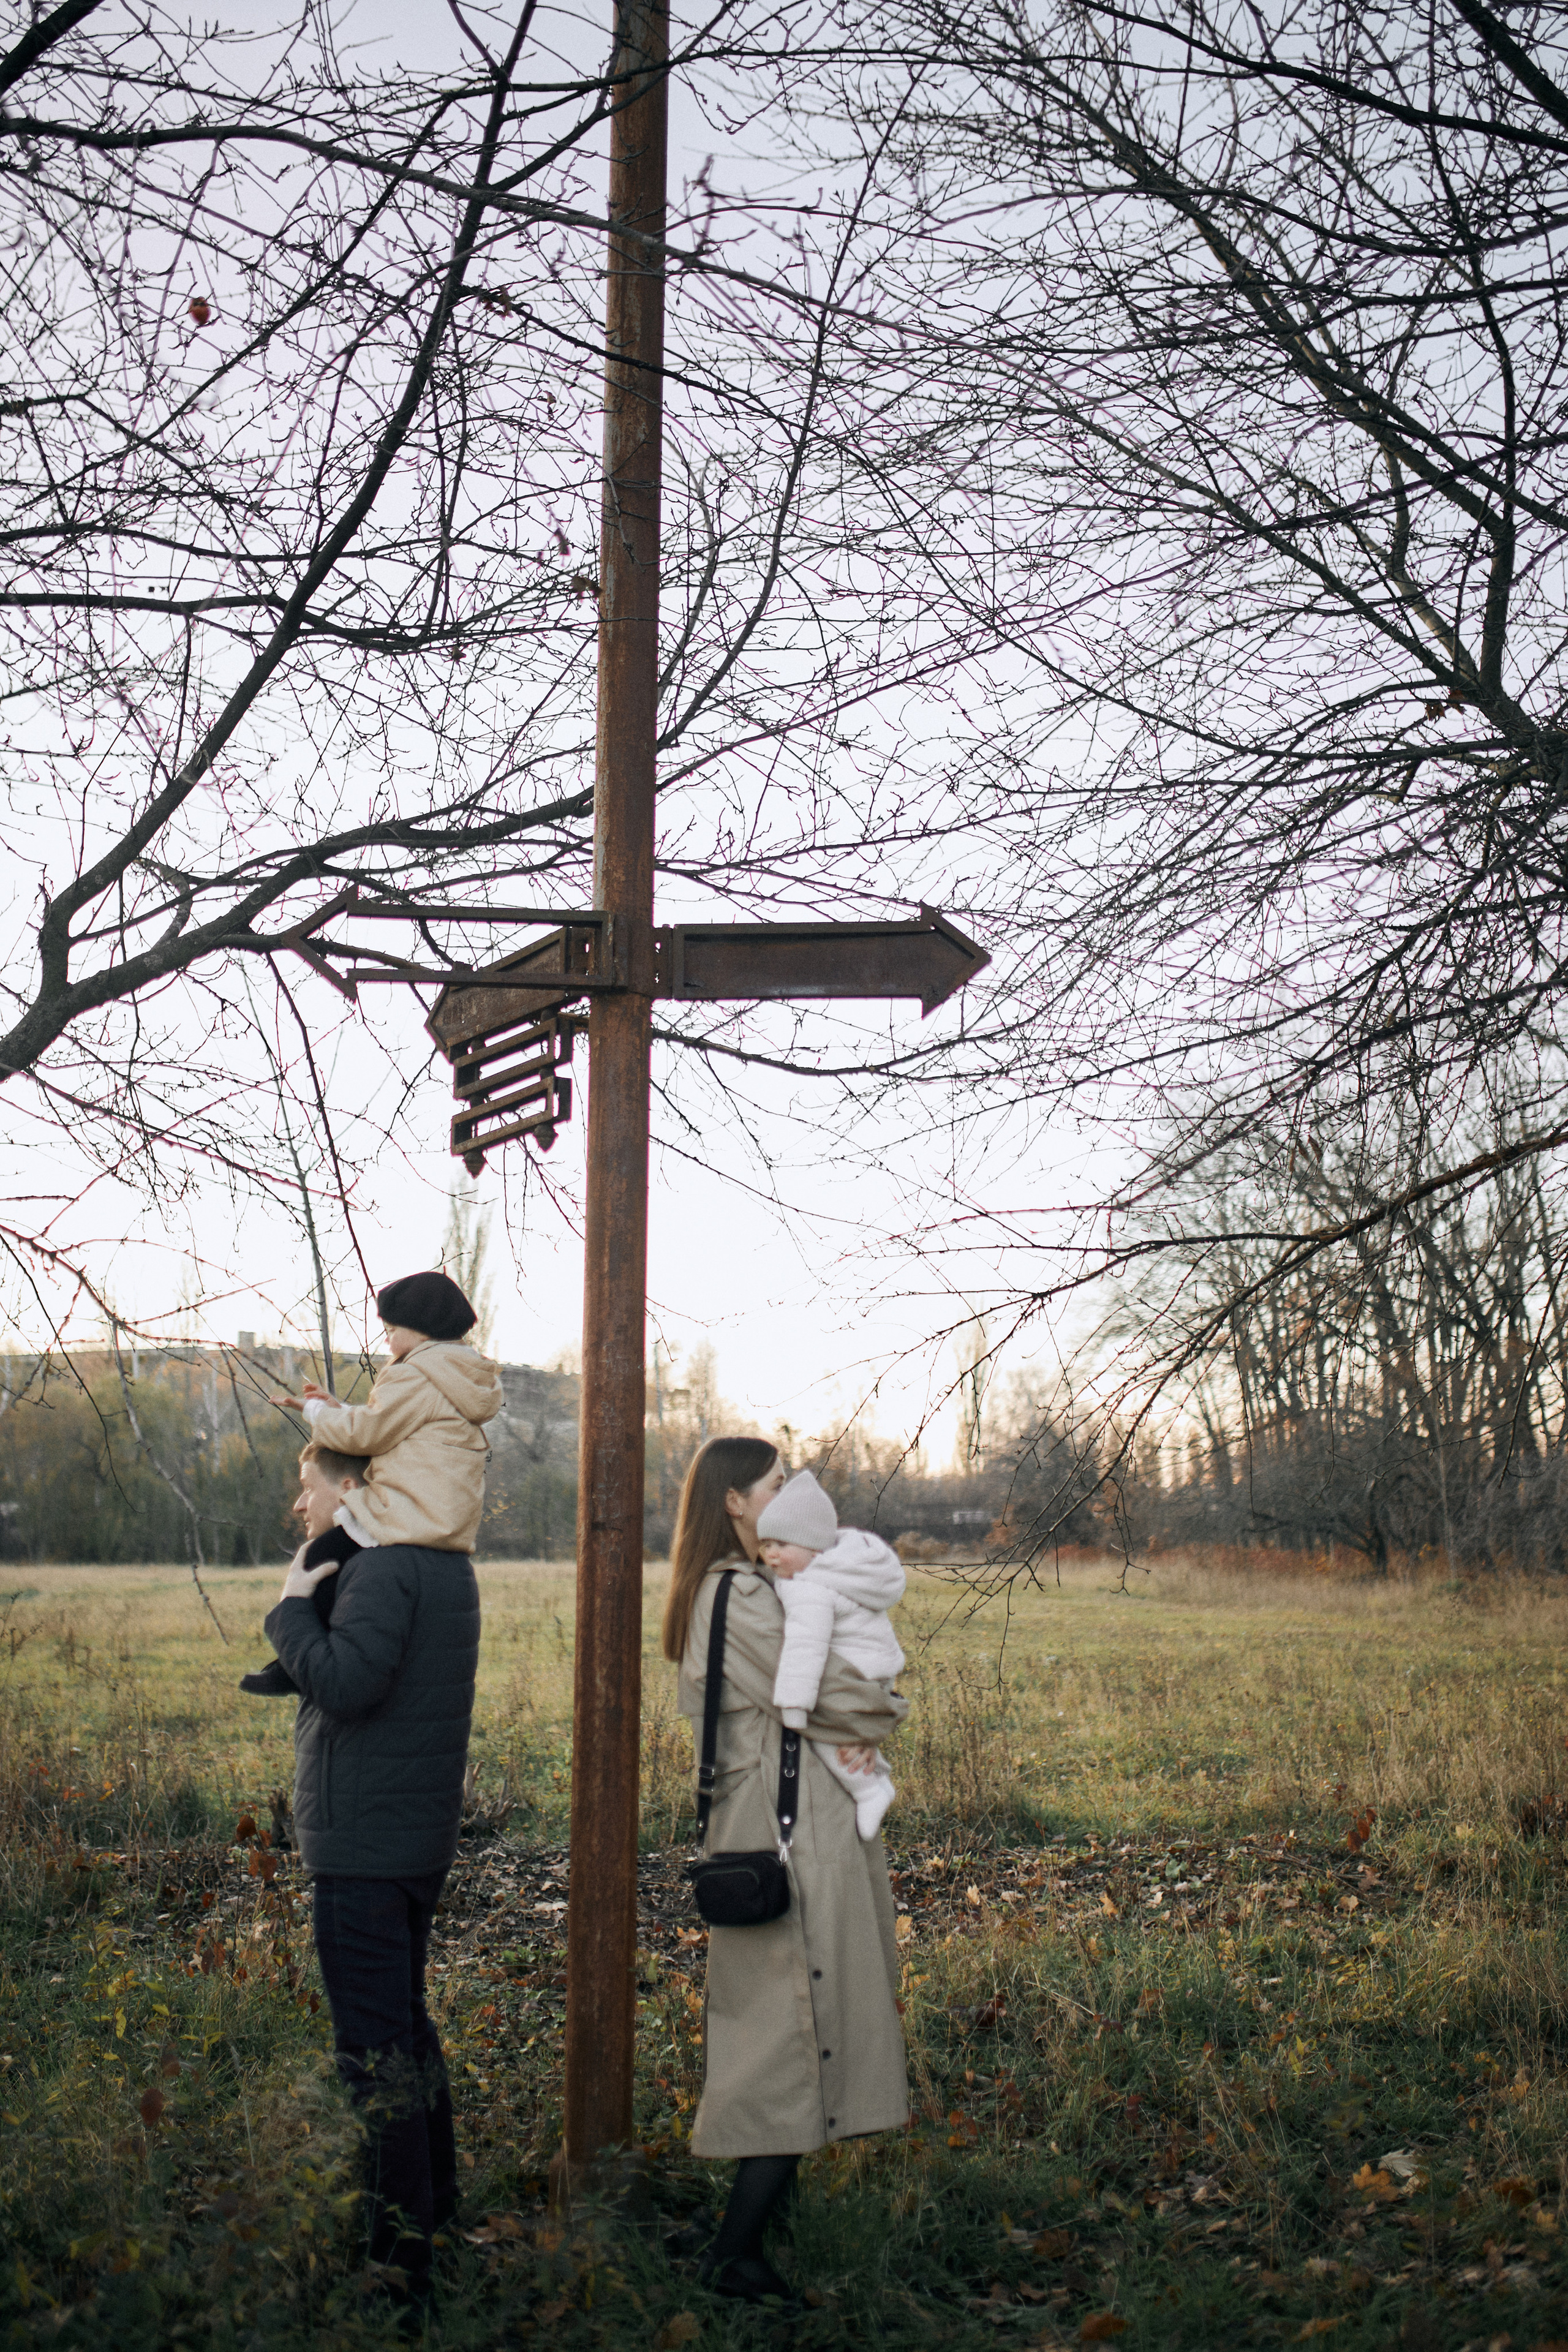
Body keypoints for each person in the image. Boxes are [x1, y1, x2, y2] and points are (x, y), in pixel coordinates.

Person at [263, 1313, 485, 2315]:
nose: (298, 1507)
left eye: (308, 1490)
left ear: (352, 1484)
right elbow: (367, 1675)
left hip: (368, 1843)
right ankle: (433, 2215)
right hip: (405, 1834)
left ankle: (400, 2274)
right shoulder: (428, 1561)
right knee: (406, 2033)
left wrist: (288, 1614)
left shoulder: (389, 1564)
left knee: (377, 2058)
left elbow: (351, 1686)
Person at [665, 1436, 910, 2307]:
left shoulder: (745, 1589)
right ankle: (734, 2255)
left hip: (784, 1818)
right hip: (785, 1833)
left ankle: (756, 2231)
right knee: (792, 2027)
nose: (791, 1491)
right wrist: (886, 1698)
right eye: (774, 1483)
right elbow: (839, 1699)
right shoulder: (740, 1594)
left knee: (795, 2021)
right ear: (736, 1502)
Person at [270, 1269, 504, 1554]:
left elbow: (365, 1434)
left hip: (404, 1518)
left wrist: (317, 1412)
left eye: (391, 1331)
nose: (387, 1341)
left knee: (317, 1554)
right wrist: (341, 1410)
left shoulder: (415, 1374)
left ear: (421, 1331)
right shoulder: (460, 1376)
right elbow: (401, 1424)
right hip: (446, 1524)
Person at [756, 1467, 907, 1841]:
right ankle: (875, 1772)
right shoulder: (844, 1571)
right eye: (766, 1545)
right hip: (876, 1670)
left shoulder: (809, 1590)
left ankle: (869, 1790)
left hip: (858, 1673)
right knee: (847, 1736)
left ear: (813, 1548)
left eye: (782, 1546)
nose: (772, 1557)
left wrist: (795, 1706)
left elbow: (804, 1649)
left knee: (821, 1733)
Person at [239, 1443, 368, 1697]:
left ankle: (289, 1670)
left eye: (309, 1488)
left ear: (348, 1488)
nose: (298, 1505)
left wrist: (293, 1602)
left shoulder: (372, 1566)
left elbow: (341, 1687)